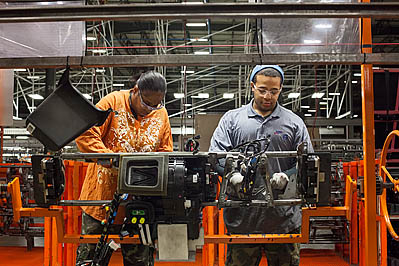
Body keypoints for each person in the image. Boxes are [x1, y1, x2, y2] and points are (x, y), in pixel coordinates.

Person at [209, 65, 313, 266]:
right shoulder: (232, 120)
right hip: (242, 219)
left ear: (281, 90)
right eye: (263, 90)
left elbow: (306, 161)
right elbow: (216, 157)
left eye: (274, 91)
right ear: (252, 86)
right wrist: (233, 176)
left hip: (283, 219)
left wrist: (287, 176)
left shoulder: (294, 122)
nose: (268, 96)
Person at [75, 70, 173, 266]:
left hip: (140, 205)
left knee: (140, 261)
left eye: (156, 104)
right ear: (135, 90)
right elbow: (86, 134)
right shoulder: (111, 103)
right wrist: (110, 160)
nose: (150, 109)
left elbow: (165, 150)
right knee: (91, 260)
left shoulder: (161, 113)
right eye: (146, 103)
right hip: (101, 202)